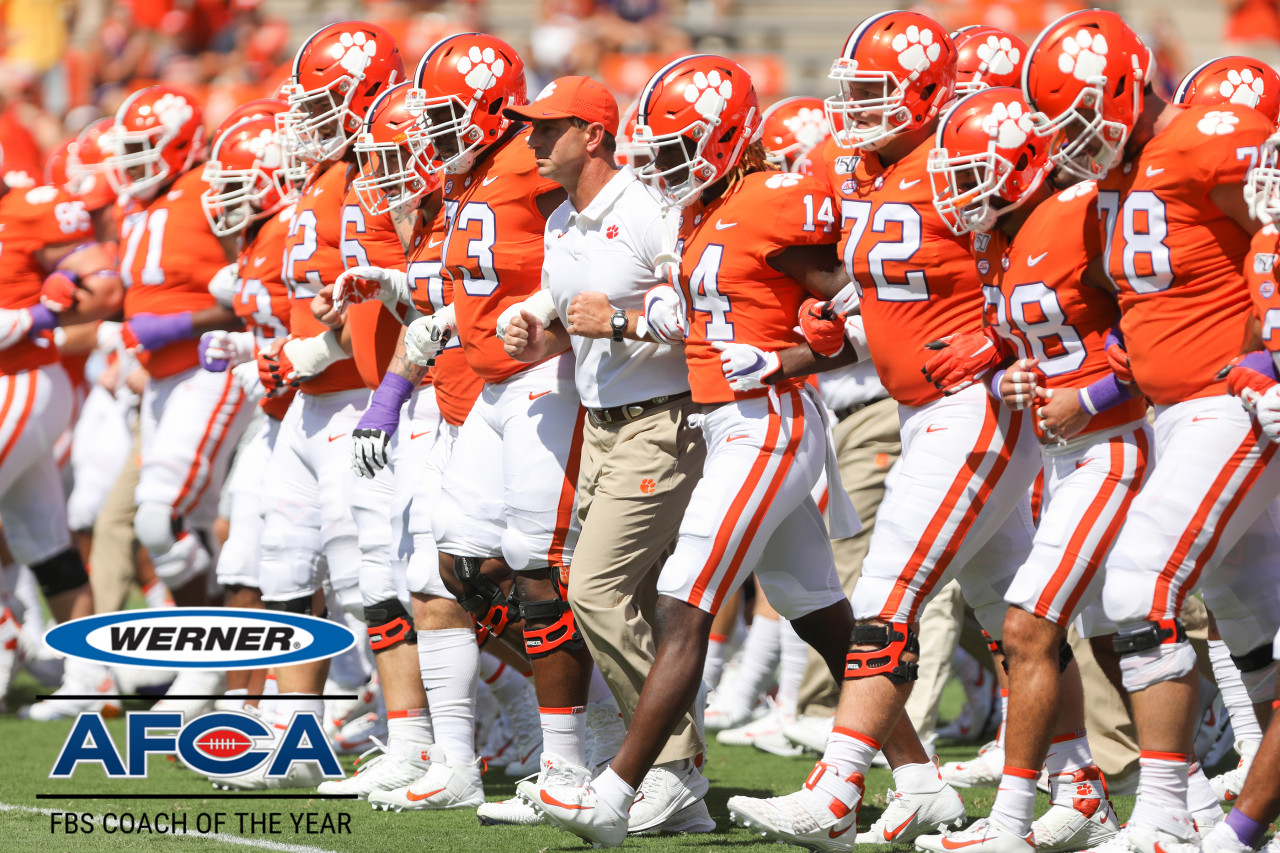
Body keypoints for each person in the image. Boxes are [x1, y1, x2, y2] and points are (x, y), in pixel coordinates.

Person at [726, 12, 1043, 850]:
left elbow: (1053, 268)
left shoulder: (964, 158)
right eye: (852, 93)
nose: (857, 110)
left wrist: (1005, 335)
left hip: (975, 402)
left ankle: (836, 790)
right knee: (1017, 613)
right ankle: (1074, 786)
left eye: (876, 93)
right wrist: (816, 348)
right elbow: (887, 307)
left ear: (931, 92)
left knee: (886, 593)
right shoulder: (862, 169)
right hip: (921, 405)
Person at [533, 53, 858, 848]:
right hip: (724, 421)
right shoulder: (701, 209)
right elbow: (692, 315)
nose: (668, 166)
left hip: (764, 419)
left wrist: (785, 357)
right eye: (660, 149)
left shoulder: (771, 201)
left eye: (682, 146)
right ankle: (916, 778)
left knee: (682, 599)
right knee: (819, 612)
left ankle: (621, 789)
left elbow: (860, 317)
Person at [1024, 10, 1280, 853]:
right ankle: (1238, 822)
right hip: (1178, 413)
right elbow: (1149, 318)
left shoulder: (1209, 136)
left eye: (1082, 120)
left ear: (1130, 88)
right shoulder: (1112, 185)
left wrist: (1272, 355)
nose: (1074, 142)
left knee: (1139, 582)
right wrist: (1091, 385)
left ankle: (1169, 808)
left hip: (1231, 403)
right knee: (1255, 626)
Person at [914, 85, 1147, 853]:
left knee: (1030, 623)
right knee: (1119, 630)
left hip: (1122, 439)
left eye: (975, 170)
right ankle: (1125, 800)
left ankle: (1013, 822)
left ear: (1021, 163)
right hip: (1068, 450)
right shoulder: (1005, 237)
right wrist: (1009, 372)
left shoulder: (1082, 211)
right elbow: (1039, 342)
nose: (959, 189)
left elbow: (1153, 326)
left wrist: (1094, 394)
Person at [499, 74, 713, 833]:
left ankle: (671, 763)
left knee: (594, 590)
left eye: (546, 128)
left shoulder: (654, 208)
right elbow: (569, 318)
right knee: (630, 598)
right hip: (601, 422)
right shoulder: (561, 221)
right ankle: (674, 775)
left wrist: (618, 321)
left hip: (663, 418)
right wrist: (535, 329)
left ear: (593, 134)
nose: (530, 139)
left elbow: (709, 308)